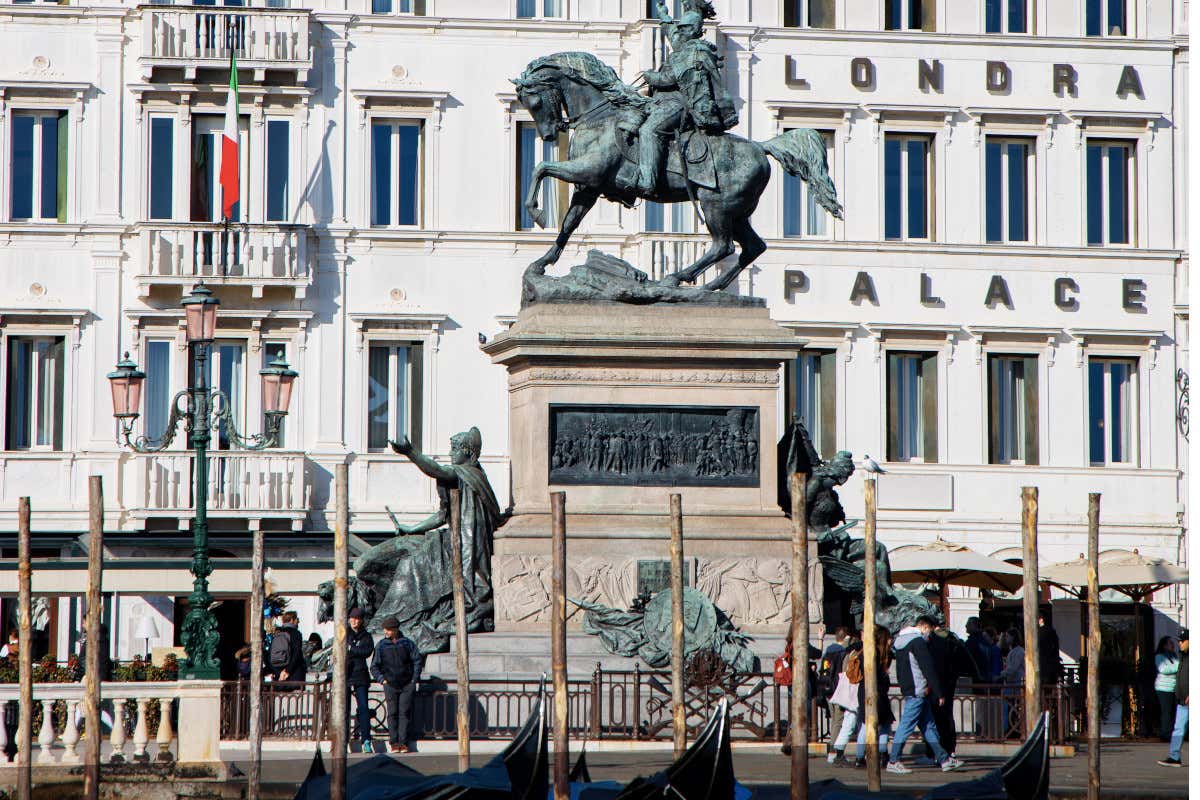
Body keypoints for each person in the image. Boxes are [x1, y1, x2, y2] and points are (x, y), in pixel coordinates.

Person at [635, 4, 737, 194]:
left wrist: (650, 77)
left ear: (695, 31)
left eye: (685, 28)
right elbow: (672, 32)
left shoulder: (696, 52)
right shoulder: (685, 46)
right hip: (665, 101)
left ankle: (647, 180)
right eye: (680, 28)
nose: (680, 31)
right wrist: (664, 16)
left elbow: (669, 78)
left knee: (650, 130)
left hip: (681, 105)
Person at [886, 616, 961, 774]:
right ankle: (893, 760)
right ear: (925, 628)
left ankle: (943, 758)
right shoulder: (918, 643)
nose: (930, 635)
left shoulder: (901, 642)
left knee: (928, 727)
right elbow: (928, 668)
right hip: (918, 690)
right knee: (906, 726)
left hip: (910, 689)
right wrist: (939, 692)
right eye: (930, 631)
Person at [371, 616, 420, 754]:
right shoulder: (381, 645)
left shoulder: (407, 643)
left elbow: (417, 661)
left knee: (404, 713)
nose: (385, 632)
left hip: (406, 684)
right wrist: (382, 680)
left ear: (395, 629)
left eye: (388, 630)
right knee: (392, 713)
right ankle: (394, 743)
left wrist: (413, 680)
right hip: (390, 684)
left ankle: (403, 743)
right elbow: (374, 666)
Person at [819, 626, 852, 762]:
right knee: (838, 720)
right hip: (838, 689)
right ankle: (833, 751)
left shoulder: (829, 651)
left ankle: (833, 750)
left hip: (827, 689)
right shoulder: (843, 652)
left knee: (834, 720)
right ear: (846, 638)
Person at [347, 608, 376, 752]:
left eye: (358, 619)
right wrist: (355, 650)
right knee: (343, 709)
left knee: (364, 708)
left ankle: (366, 740)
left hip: (360, 674)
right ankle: (343, 738)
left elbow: (367, 651)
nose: (355, 621)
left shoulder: (366, 636)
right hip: (345, 674)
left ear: (362, 620)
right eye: (353, 618)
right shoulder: (344, 633)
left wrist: (351, 649)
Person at [1159, 630, 1189, 767]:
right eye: (1178, 641)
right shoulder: (1182, 656)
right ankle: (1174, 756)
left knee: (1179, 727)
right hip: (1182, 698)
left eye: (1182, 640)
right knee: (1178, 728)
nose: (1179, 643)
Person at [269, 611, 307, 688]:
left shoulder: (277, 633)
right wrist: (287, 671)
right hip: (294, 673)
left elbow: (270, 653)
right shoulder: (296, 633)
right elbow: (297, 653)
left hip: (278, 671)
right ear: (292, 620)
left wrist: (277, 671)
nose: (298, 621)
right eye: (297, 619)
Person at [1154, 636, 1181, 742]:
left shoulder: (1174, 656)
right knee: (1166, 711)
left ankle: (1173, 732)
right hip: (1163, 688)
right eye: (1170, 643)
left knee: (1174, 711)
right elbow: (1163, 669)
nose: (1172, 645)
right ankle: (1165, 734)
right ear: (1164, 645)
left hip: (1174, 687)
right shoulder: (1160, 656)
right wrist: (1178, 666)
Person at [1037, 613, 1063, 688]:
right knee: (1051, 688)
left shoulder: (1040, 632)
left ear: (1041, 620)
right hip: (1053, 665)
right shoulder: (1052, 631)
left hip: (1043, 665)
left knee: (1043, 689)